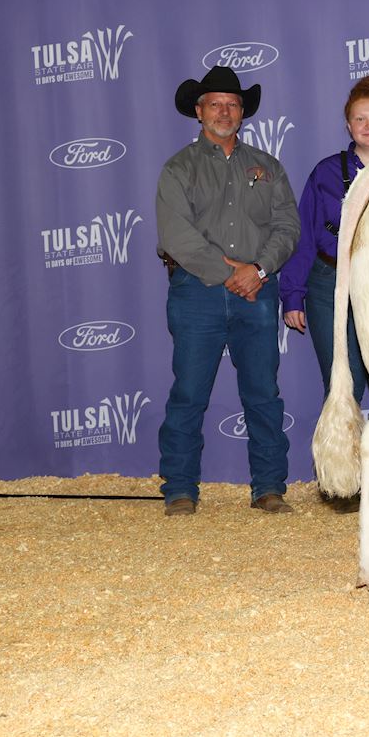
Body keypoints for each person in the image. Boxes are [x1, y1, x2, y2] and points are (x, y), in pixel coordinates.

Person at [154, 65, 300, 516]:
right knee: (189, 392)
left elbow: (287, 226)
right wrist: (236, 273)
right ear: (199, 112)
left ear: (243, 112)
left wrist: (258, 268)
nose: (224, 111)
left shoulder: (268, 167)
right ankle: (180, 488)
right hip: (197, 291)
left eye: (233, 104)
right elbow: (177, 236)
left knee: (263, 392)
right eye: (215, 103)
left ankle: (270, 487)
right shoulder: (179, 168)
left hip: (256, 290)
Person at [280, 76, 369, 422]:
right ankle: (341, 475)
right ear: (349, 126)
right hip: (331, 282)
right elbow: (306, 235)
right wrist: (293, 294)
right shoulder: (326, 173)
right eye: (360, 119)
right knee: (342, 385)